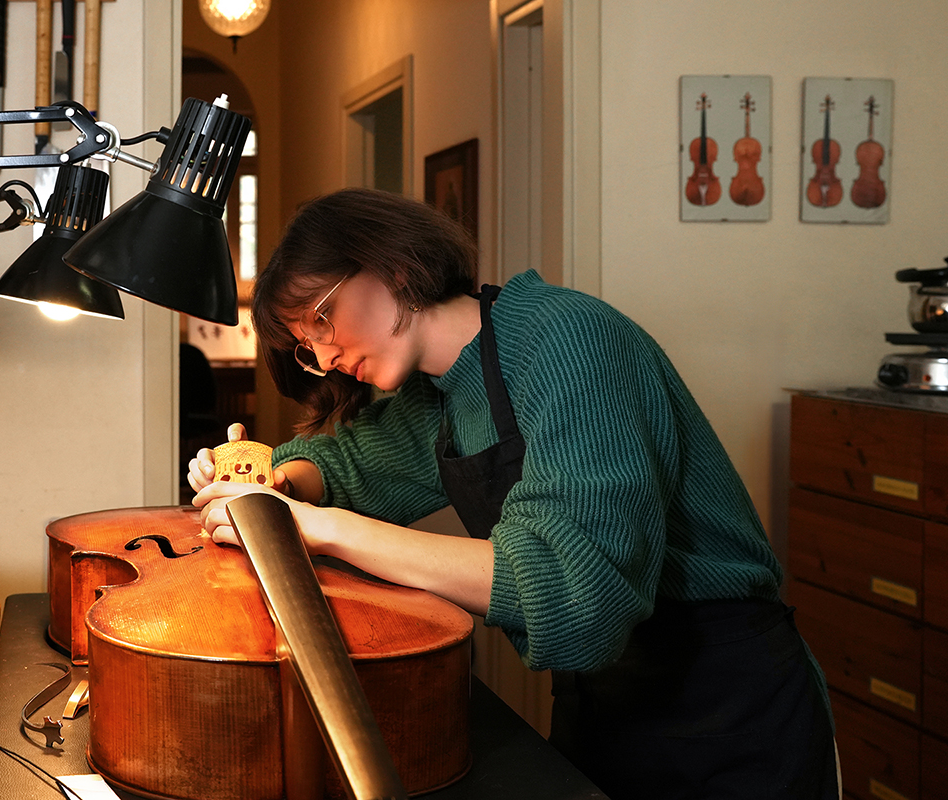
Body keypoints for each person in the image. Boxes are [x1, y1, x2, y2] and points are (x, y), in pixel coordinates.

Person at [188, 188, 838, 799]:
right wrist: (270, 480)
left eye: (321, 320)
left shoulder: (570, 340)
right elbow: (346, 465)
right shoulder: (443, 389)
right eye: (306, 347)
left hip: (729, 705)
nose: (325, 357)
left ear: (391, 266)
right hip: (603, 702)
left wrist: (322, 528)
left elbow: (577, 592)